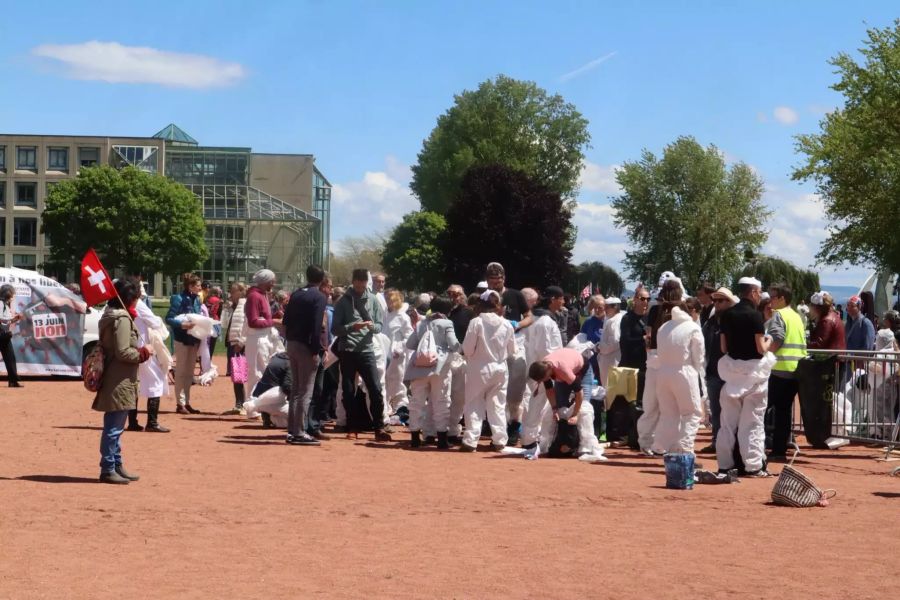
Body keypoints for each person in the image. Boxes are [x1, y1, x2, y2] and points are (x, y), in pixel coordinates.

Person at [93, 278, 153, 484]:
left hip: (116, 377)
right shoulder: (122, 319)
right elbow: (123, 352)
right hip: (119, 378)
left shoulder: (111, 316)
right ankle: (108, 467)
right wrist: (145, 353)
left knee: (116, 425)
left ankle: (115, 464)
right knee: (114, 426)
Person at [716, 277, 775, 477]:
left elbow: (724, 347)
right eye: (759, 292)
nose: (760, 296)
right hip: (754, 375)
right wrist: (769, 339)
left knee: (727, 424)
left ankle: (724, 464)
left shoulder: (726, 315)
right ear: (753, 292)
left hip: (732, 374)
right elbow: (760, 348)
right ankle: (753, 466)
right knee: (752, 423)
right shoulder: (755, 316)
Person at [331, 268, 391, 441]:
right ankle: (352, 426)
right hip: (347, 350)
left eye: (363, 283)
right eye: (357, 282)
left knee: (376, 389)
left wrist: (373, 327)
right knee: (349, 390)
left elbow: (380, 325)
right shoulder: (343, 301)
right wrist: (351, 327)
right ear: (353, 281)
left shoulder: (373, 300)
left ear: (366, 282)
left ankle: (379, 427)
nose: (359, 286)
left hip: (367, 350)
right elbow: (336, 329)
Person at [460, 290, 518, 452]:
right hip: (500, 368)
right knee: (497, 405)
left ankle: (471, 440)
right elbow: (513, 349)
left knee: (474, 403)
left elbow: (467, 349)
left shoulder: (476, 322)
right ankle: (499, 439)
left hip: (479, 367)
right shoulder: (506, 324)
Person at [527, 347, 606, 460]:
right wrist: (554, 409)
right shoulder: (544, 368)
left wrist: (575, 414)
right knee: (560, 409)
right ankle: (552, 444)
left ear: (548, 371)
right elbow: (550, 391)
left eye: (543, 378)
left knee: (584, 408)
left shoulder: (563, 370)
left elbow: (579, 393)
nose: (542, 381)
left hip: (582, 371)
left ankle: (586, 447)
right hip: (563, 374)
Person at [404, 296, 460, 449]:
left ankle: (415, 437)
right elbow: (453, 344)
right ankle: (442, 439)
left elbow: (410, 344)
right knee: (441, 401)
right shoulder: (447, 323)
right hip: (439, 368)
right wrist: (463, 350)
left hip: (419, 367)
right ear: (447, 310)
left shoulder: (422, 323)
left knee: (416, 402)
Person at [636, 278, 684, 456]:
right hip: (674, 360)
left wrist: (650, 350)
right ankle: (669, 443)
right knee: (674, 405)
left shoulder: (656, 309)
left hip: (655, 358)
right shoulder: (680, 310)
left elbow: (648, 337)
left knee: (651, 404)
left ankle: (647, 441)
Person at [485, 262, 530, 445]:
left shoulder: (515, 295)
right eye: (492, 279)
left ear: (504, 278)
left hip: (515, 343)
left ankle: (514, 425)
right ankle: (498, 429)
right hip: (492, 346)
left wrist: (517, 325)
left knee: (515, 389)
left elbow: (529, 316)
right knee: (495, 389)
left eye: (498, 279)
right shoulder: (486, 297)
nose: (495, 282)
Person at [283, 265, 327, 446]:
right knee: (305, 391)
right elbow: (317, 325)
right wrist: (316, 350)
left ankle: (292, 430)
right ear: (321, 279)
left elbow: (286, 321)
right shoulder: (319, 296)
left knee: (296, 390)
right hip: (306, 346)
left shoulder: (296, 293)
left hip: (292, 342)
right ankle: (299, 432)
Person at [654, 304, 705, 454]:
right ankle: (684, 450)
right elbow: (699, 356)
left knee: (668, 413)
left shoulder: (663, 327)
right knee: (692, 413)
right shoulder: (693, 327)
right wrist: (697, 371)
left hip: (663, 372)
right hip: (685, 371)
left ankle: (664, 447)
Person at [766, 283, 807, 462]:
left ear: (782, 298)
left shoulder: (779, 315)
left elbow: (777, 339)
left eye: (773, 297)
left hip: (779, 370)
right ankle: (779, 450)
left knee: (762, 410)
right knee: (784, 413)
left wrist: (765, 354)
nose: (770, 301)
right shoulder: (796, 316)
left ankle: (762, 449)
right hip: (795, 370)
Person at [698, 287, 738, 453]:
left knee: (732, 411)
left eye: (721, 300)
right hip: (714, 372)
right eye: (715, 300)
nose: (717, 304)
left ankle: (732, 445)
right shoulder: (711, 322)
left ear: (730, 302)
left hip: (732, 374)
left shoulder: (736, 321)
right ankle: (717, 442)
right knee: (716, 410)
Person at [131, 299, 171, 433]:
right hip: (143, 348)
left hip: (128, 348)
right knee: (156, 381)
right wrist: (158, 320)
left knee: (133, 384)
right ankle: (152, 422)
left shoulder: (115, 304)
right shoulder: (137, 303)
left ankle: (132, 421)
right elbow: (154, 322)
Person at [165, 273, 202, 414]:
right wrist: (182, 324)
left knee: (189, 372)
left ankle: (186, 402)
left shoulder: (197, 300)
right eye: (198, 285)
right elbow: (168, 318)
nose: (200, 288)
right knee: (181, 371)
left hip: (194, 338)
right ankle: (180, 404)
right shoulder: (178, 298)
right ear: (190, 286)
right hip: (181, 338)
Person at [244, 269, 283, 400]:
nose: (274, 283)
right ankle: (252, 405)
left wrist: (275, 318)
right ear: (265, 281)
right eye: (272, 281)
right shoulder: (254, 296)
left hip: (264, 337)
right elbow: (253, 322)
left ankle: (259, 404)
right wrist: (274, 321)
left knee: (264, 371)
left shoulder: (262, 294)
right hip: (257, 339)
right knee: (256, 373)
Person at [447, 284, 474, 443]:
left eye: (456, 293)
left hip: (463, 358)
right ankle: (443, 428)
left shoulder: (470, 313)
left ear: (463, 294)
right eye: (450, 294)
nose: (453, 296)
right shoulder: (447, 312)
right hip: (447, 357)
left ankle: (453, 429)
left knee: (459, 396)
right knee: (444, 395)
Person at [243, 351, 292, 428]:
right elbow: (287, 387)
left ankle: (267, 417)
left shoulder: (277, 357)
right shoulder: (289, 363)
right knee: (295, 414)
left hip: (259, 393)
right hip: (271, 396)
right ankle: (271, 418)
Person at [384, 290, 414, 414]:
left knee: (397, 382)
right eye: (387, 300)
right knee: (384, 380)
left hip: (397, 355)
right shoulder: (384, 315)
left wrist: (399, 348)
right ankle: (386, 408)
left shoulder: (403, 317)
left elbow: (409, 335)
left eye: (392, 300)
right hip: (384, 353)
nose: (389, 303)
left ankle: (401, 408)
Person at [221, 283, 248, 415]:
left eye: (233, 291)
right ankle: (239, 403)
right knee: (236, 374)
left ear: (241, 292)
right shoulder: (235, 306)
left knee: (240, 374)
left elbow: (246, 325)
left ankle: (243, 404)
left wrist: (241, 342)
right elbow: (226, 323)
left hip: (239, 343)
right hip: (233, 342)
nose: (230, 293)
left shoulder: (245, 305)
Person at [596, 297, 623, 387]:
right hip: (610, 359)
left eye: (607, 307)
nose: (605, 309)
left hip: (611, 359)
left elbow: (615, 342)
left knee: (610, 389)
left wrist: (599, 347)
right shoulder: (612, 318)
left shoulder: (614, 321)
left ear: (615, 307)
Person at [0, 284, 23, 388]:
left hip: (4, 335)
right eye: (13, 293)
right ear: (8, 294)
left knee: (10, 357)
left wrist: (16, 319)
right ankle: (13, 380)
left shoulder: (5, 305)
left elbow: (7, 320)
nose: (14, 296)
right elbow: (2, 320)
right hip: (1, 334)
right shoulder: (0, 304)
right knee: (10, 357)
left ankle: (13, 381)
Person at [581, 294, 606, 386]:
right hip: (591, 360)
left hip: (605, 361)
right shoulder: (588, 322)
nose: (597, 310)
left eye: (600, 307)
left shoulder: (609, 322)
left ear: (605, 307)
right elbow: (581, 339)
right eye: (595, 308)